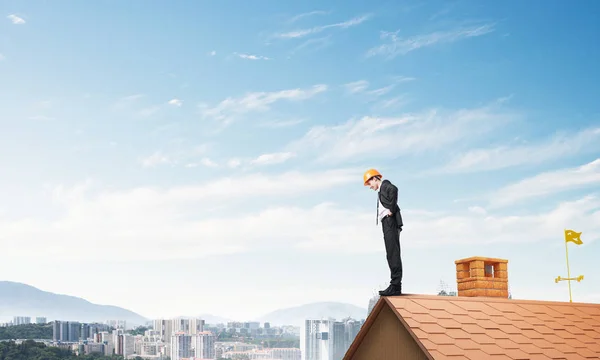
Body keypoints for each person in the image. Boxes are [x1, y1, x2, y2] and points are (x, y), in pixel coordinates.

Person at [363, 168, 403, 296]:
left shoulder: (385, 186)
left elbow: (394, 189)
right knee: (390, 253)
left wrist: (391, 209)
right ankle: (394, 285)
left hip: (390, 221)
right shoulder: (381, 191)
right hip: (387, 223)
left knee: (393, 253)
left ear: (375, 179)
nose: (370, 187)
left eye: (369, 183)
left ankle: (395, 286)